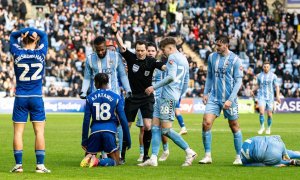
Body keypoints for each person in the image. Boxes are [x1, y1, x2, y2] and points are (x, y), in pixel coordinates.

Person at [139, 37, 197, 167]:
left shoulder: (172, 58)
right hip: (167, 97)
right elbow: (186, 81)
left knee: (165, 131)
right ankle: (153, 158)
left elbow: (170, 77)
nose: (163, 52)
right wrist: (178, 95)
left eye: (164, 49)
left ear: (170, 48)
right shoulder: (185, 60)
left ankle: (189, 151)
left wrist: (154, 87)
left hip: (167, 97)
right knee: (155, 127)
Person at [112, 23, 166, 162]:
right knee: (126, 126)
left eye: (142, 50)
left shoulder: (151, 61)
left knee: (148, 126)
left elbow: (162, 66)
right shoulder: (131, 58)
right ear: (135, 50)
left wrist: (169, 66)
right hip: (132, 97)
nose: (140, 52)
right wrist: (115, 32)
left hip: (147, 97)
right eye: (138, 50)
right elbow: (121, 45)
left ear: (146, 50)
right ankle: (122, 154)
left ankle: (146, 155)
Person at [80, 36, 131, 160]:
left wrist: (128, 89)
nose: (101, 52)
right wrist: (83, 91)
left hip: (115, 96)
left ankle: (117, 153)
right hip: (96, 96)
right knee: (98, 123)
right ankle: (104, 154)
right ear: (94, 48)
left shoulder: (115, 56)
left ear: (106, 46)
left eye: (102, 49)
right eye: (98, 50)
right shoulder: (90, 59)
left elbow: (122, 75)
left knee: (117, 124)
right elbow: (87, 77)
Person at [10, 27, 50, 173]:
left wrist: (23, 31)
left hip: (20, 97)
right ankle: (40, 166)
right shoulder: (41, 52)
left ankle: (18, 165)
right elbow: (44, 34)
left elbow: (12, 37)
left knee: (18, 132)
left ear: (22, 39)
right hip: (36, 97)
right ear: (36, 40)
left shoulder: (17, 52)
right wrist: (34, 31)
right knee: (39, 132)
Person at [199, 35, 243, 165]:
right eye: (216, 45)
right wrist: (206, 93)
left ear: (226, 45)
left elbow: (238, 82)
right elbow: (210, 77)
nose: (216, 47)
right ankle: (207, 155)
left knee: (234, 126)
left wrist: (230, 99)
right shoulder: (212, 57)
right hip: (214, 97)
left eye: (219, 45)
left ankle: (239, 156)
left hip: (230, 99)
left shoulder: (235, 60)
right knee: (206, 123)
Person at [80, 73, 131, 167]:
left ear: (96, 83)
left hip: (94, 132)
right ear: (108, 83)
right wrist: (127, 139)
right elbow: (123, 120)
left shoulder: (90, 98)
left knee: (88, 159)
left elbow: (86, 120)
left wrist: (84, 140)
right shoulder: (116, 97)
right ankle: (99, 161)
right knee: (116, 162)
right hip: (109, 132)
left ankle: (92, 157)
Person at [252, 61, 281, 135]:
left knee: (269, 114)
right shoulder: (259, 76)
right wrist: (253, 90)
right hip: (261, 96)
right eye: (265, 66)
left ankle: (268, 128)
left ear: (269, 67)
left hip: (270, 97)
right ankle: (262, 127)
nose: (266, 68)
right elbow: (258, 85)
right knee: (261, 112)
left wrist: (277, 96)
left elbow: (277, 86)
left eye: (267, 67)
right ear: (263, 67)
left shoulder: (273, 76)